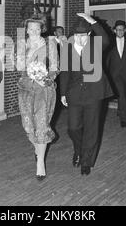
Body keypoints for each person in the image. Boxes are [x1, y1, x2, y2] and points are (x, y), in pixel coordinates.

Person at [59, 12, 113, 176]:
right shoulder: (68, 48)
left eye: (82, 36)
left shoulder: (96, 45)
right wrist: (63, 93)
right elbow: (65, 72)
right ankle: (79, 149)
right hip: (74, 93)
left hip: (93, 94)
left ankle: (86, 161)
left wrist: (92, 21)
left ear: (89, 34)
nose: (79, 39)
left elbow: (106, 39)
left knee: (91, 128)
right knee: (73, 128)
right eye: (76, 35)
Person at [16, 14, 58, 180]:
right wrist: (26, 56)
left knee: (41, 125)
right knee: (28, 126)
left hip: (44, 90)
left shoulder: (50, 44)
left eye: (37, 28)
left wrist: (45, 79)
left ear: (42, 29)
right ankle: (37, 148)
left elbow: (55, 68)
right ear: (26, 30)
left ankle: (40, 162)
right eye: (30, 28)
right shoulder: (21, 44)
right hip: (26, 89)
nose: (33, 31)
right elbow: (19, 67)